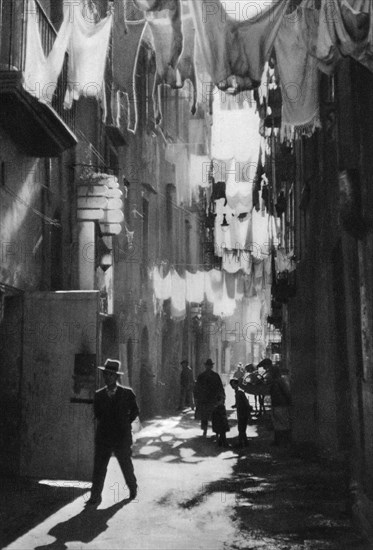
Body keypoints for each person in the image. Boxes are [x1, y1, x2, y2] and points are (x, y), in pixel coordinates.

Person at [87, 359, 139, 506]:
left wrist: (125, 421)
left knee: (125, 464)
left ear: (116, 377)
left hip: (122, 436)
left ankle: (133, 488)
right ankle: (95, 496)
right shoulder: (99, 395)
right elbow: (97, 414)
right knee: (99, 467)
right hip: (104, 436)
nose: (107, 377)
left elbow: (135, 411)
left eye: (111, 375)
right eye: (106, 375)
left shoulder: (127, 394)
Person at [194, 358, 225, 436]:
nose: (208, 367)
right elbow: (197, 387)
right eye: (207, 365)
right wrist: (196, 397)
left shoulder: (215, 376)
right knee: (204, 416)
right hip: (204, 399)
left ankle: (216, 431)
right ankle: (205, 430)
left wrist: (221, 397)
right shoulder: (201, 376)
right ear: (206, 366)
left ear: (211, 367)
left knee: (214, 415)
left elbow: (220, 387)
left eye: (209, 366)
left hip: (212, 399)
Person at [268, 363, 292, 447]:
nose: (269, 374)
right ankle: (278, 441)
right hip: (276, 405)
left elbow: (287, 392)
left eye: (270, 372)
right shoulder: (276, 381)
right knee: (277, 424)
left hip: (281, 406)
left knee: (283, 424)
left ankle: (284, 442)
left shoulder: (280, 381)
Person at [230, 378, 252, 447]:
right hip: (241, 412)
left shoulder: (239, 392)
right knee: (242, 428)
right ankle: (245, 443)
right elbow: (239, 403)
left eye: (233, 384)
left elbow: (245, 402)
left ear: (237, 384)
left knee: (241, 428)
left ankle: (241, 443)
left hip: (243, 412)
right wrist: (235, 405)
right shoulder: (237, 392)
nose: (232, 386)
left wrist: (248, 412)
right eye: (231, 385)